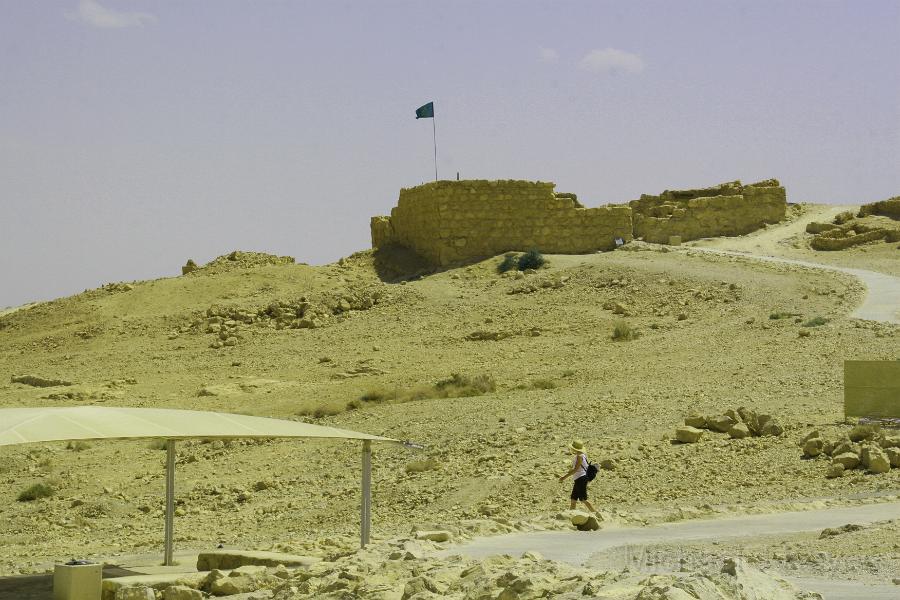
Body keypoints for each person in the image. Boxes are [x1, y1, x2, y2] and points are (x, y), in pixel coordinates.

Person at [557, 439, 597, 512]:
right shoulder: (582, 455)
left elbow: (576, 469)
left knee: (583, 499)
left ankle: (597, 514)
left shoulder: (579, 456)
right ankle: (571, 516)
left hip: (581, 479)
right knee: (573, 499)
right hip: (579, 479)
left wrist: (564, 477)